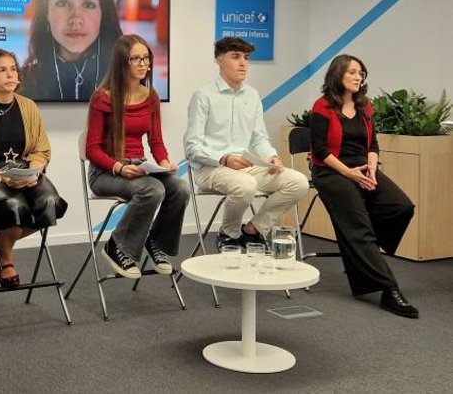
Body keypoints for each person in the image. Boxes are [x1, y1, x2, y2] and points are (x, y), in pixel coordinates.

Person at [309, 54, 418, 318]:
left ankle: (360, 252)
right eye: (353, 73)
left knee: (401, 207)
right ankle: (389, 291)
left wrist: (371, 167)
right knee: (360, 229)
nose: (359, 77)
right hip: (331, 171)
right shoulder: (322, 107)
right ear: (338, 76)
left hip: (363, 166)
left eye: (361, 73)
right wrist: (350, 173)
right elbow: (320, 151)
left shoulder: (364, 106)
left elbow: (373, 145)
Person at [184, 36, 308, 250]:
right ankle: (228, 233)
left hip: (245, 168)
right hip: (210, 168)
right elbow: (192, 147)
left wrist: (271, 156)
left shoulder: (252, 95)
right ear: (219, 61)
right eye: (236, 57)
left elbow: (259, 138)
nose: (243, 63)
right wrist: (223, 158)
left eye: (246, 57)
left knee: (298, 182)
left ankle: (253, 230)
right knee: (246, 186)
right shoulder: (203, 96)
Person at [0, 49, 68, 288]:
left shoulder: (28, 106)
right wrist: (2, 177)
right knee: (13, 206)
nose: (10, 74)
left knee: (51, 203)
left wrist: (34, 172)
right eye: (2, 70)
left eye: (13, 69)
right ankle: (7, 261)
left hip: (26, 171)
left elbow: (41, 149)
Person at [86, 34, 189, 278]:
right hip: (106, 172)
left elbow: (155, 141)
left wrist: (164, 162)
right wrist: (119, 168)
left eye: (146, 58)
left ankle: (156, 242)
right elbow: (92, 150)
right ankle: (117, 245)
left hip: (141, 168)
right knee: (153, 190)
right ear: (123, 62)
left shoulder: (150, 96)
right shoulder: (102, 97)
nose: (144, 64)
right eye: (136, 59)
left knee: (180, 188)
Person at [20, 0, 123, 101]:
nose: (76, 19)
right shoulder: (23, 84)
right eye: (62, 3)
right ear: (46, 13)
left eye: (88, 5)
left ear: (103, 14)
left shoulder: (123, 77)